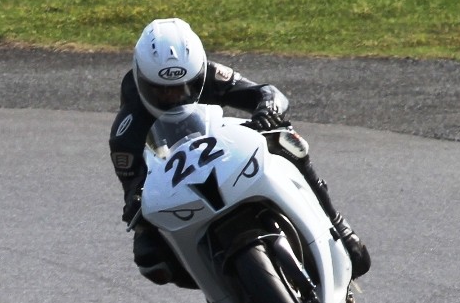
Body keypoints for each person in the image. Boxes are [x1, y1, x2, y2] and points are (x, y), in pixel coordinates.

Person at [109, 17, 371, 287]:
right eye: (161, 91)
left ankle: (337, 224)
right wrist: (138, 202)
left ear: (198, 73)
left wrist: (268, 109)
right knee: (150, 257)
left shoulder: (210, 74)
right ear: (141, 79)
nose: (174, 97)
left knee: (285, 139)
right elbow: (133, 192)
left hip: (223, 147)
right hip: (177, 179)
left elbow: (266, 92)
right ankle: (220, 292)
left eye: (184, 88)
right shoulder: (126, 131)